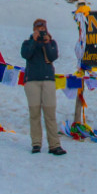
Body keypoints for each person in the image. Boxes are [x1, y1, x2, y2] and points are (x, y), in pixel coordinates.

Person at [20, 18, 66, 155]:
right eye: (38, 29)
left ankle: (54, 145)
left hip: (48, 80)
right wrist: (34, 41)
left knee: (50, 113)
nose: (41, 31)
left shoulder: (51, 42)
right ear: (34, 29)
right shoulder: (27, 43)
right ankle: (36, 143)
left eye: (43, 28)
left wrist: (46, 43)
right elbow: (26, 54)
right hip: (32, 80)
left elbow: (53, 57)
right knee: (34, 113)